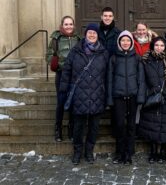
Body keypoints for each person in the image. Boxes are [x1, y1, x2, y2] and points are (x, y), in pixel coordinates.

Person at [59, 23, 109, 165]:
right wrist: (63, 89)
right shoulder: (75, 51)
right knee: (78, 127)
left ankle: (89, 152)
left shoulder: (103, 53)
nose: (92, 35)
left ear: (98, 35)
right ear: (85, 34)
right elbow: (67, 71)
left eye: (94, 33)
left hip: (97, 95)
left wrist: (107, 94)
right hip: (79, 95)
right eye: (89, 33)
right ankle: (77, 153)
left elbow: (107, 76)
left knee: (94, 128)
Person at [139, 37, 166, 164]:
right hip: (152, 97)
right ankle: (153, 152)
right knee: (152, 125)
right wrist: (148, 93)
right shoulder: (146, 60)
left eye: (162, 45)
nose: (159, 47)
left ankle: (163, 152)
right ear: (152, 46)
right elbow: (143, 79)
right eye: (156, 45)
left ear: (165, 47)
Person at [107, 30, 146, 165]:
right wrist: (110, 98)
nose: (125, 42)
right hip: (118, 96)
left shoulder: (136, 58)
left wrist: (140, 97)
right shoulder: (113, 58)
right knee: (119, 125)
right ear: (119, 42)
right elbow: (110, 79)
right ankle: (120, 152)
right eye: (123, 40)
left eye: (128, 40)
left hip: (133, 96)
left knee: (131, 125)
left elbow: (141, 79)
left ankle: (129, 153)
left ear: (131, 42)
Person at [46, 15, 82, 142]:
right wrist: (56, 63)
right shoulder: (56, 38)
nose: (68, 26)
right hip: (62, 74)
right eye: (66, 24)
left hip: (75, 75)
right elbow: (49, 54)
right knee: (61, 102)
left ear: (73, 25)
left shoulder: (79, 39)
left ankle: (71, 128)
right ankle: (58, 129)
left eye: (70, 24)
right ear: (62, 25)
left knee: (73, 102)